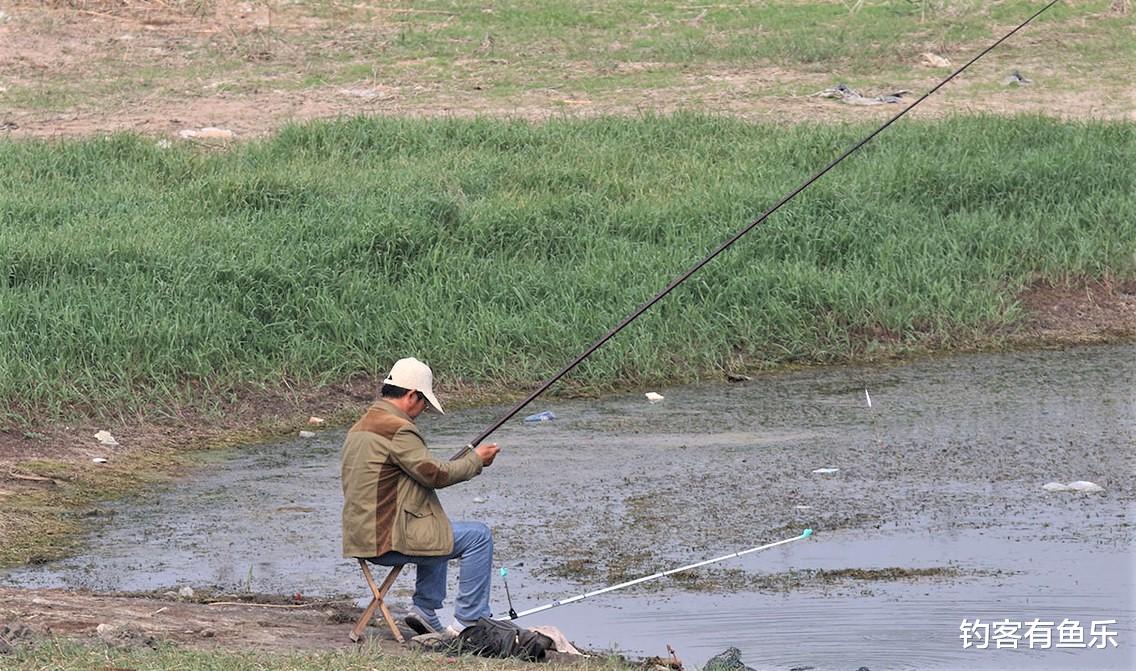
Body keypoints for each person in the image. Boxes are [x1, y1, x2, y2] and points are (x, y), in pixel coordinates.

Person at [341, 357, 501, 637]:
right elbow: (435, 476)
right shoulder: (397, 428)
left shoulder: (361, 426)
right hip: (385, 541)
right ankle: (470, 622)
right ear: (412, 395)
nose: (423, 410)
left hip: (360, 535)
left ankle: (425, 610)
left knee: (436, 526)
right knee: (479, 536)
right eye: (424, 404)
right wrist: (475, 460)